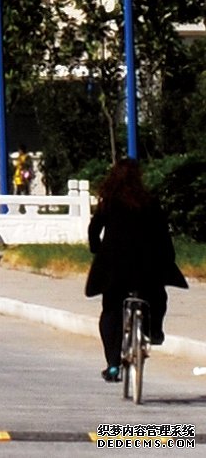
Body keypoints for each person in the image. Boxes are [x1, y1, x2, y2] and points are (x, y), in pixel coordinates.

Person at [88, 158, 188, 381]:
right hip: (146, 265)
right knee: (157, 297)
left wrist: (97, 250)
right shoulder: (149, 201)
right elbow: (163, 233)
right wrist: (168, 258)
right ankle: (154, 331)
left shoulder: (109, 201)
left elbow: (94, 230)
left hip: (114, 267)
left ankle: (113, 365)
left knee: (111, 311)